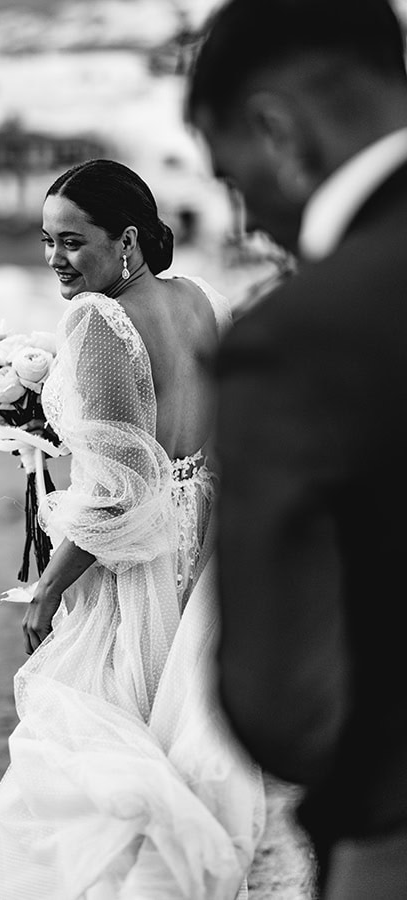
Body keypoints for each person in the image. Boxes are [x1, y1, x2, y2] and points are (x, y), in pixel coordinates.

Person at [0, 159, 265, 899]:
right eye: (47, 242)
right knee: (175, 748)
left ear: (127, 240)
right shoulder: (206, 301)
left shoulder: (99, 323)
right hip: (201, 550)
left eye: (72, 242)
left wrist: (45, 591)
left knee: (99, 764)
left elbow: (116, 494)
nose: (55, 260)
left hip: (134, 569)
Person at [186, 1, 407, 897]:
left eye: (234, 179)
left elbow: (286, 713)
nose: (248, 219)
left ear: (278, 129)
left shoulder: (302, 337)